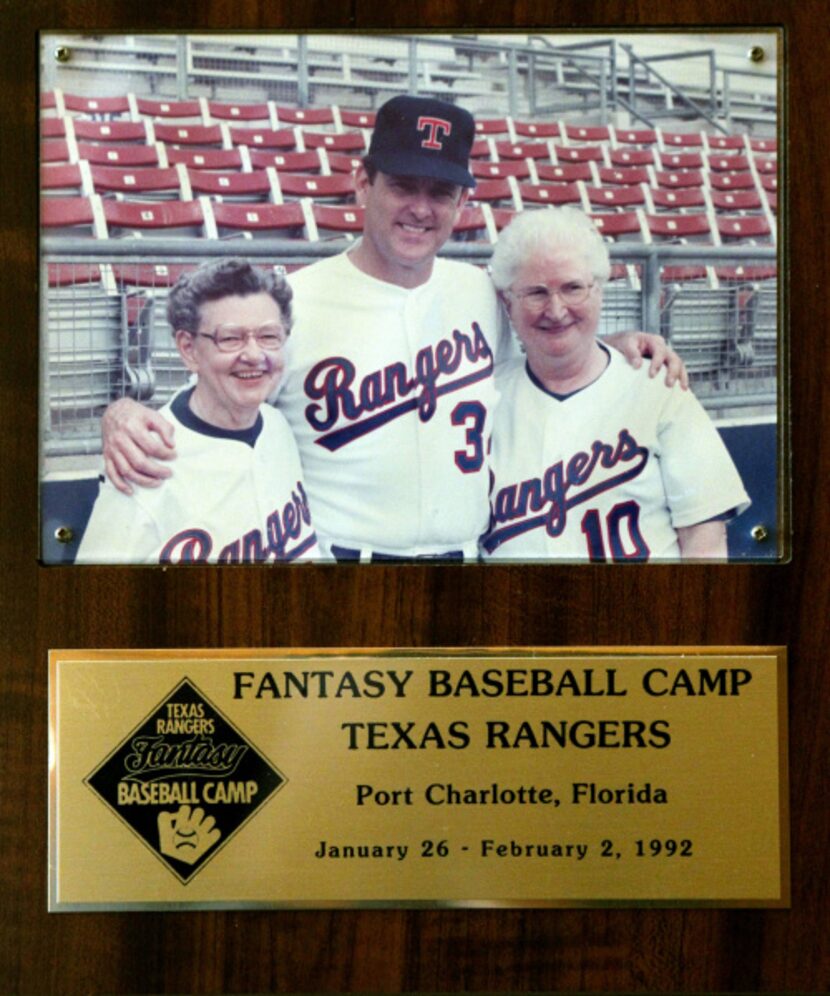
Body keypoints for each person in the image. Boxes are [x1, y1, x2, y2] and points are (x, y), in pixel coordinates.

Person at [100, 95, 685, 561]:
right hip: (343, 562)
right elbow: (223, 397)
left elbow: (551, 350)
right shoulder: (298, 299)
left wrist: (617, 345)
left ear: (462, 203)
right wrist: (122, 414)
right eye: (404, 184)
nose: (421, 208)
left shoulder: (482, 292)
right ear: (362, 184)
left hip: (469, 562)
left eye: (441, 192)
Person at [481, 207, 750, 561]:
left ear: (599, 291)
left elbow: (705, 540)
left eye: (573, 288)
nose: (556, 309)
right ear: (507, 301)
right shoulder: (485, 399)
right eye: (536, 293)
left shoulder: (658, 385)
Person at [77, 259, 319, 564]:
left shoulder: (277, 422)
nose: (254, 355)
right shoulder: (142, 459)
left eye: (269, 336)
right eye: (230, 338)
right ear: (188, 349)